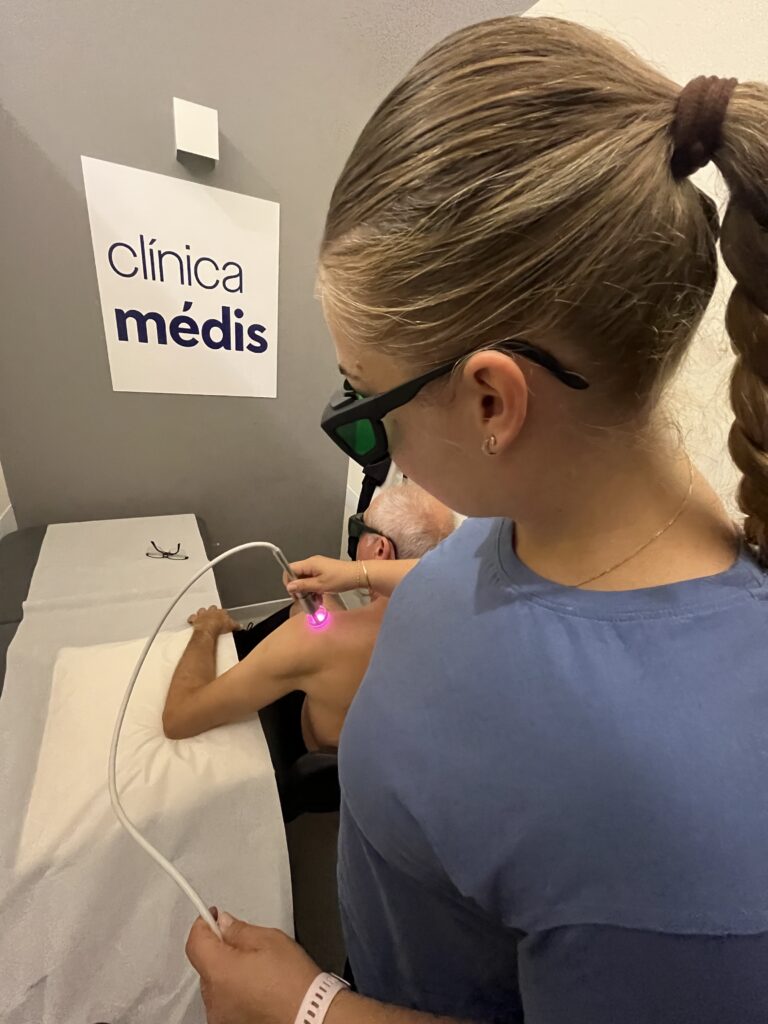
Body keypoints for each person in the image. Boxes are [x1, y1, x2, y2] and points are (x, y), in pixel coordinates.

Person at [186, 16, 768, 1024]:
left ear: (493, 400)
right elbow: (496, 593)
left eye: (364, 401)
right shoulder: (539, 519)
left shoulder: (688, 824)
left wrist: (305, 1007)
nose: (369, 439)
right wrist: (366, 576)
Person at [162, 482, 454, 752]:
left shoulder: (311, 641)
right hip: (380, 745)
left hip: (311, 760)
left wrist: (207, 628)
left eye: (359, 528)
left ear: (380, 549)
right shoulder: (458, 619)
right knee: (309, 610)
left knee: (302, 630)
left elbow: (178, 720)